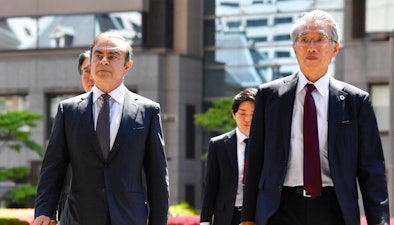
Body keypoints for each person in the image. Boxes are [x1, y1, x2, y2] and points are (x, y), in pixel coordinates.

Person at [241, 9, 389, 225]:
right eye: (304, 40)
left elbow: (371, 169)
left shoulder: (356, 101)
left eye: (320, 39)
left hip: (333, 210)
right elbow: (254, 160)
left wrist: (380, 221)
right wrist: (247, 218)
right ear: (294, 48)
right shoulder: (270, 95)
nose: (311, 47)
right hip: (278, 209)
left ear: (335, 48)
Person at [33, 31, 169, 225]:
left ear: (127, 67)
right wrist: (44, 211)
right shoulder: (69, 110)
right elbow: (53, 166)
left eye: (113, 56)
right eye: (98, 55)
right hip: (79, 217)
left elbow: (157, 175)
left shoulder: (147, 111)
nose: (104, 61)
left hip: (130, 218)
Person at [49, 50, 95, 225]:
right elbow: (54, 166)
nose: (91, 76)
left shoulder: (135, 110)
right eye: (86, 70)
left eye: (95, 68)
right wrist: (49, 213)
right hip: (74, 214)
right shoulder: (68, 112)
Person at [200, 88, 257, 225]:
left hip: (257, 216)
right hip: (227, 217)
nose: (247, 119)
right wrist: (205, 221)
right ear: (233, 114)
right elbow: (211, 185)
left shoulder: (269, 145)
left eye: (253, 114)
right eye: (242, 113)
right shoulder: (218, 144)